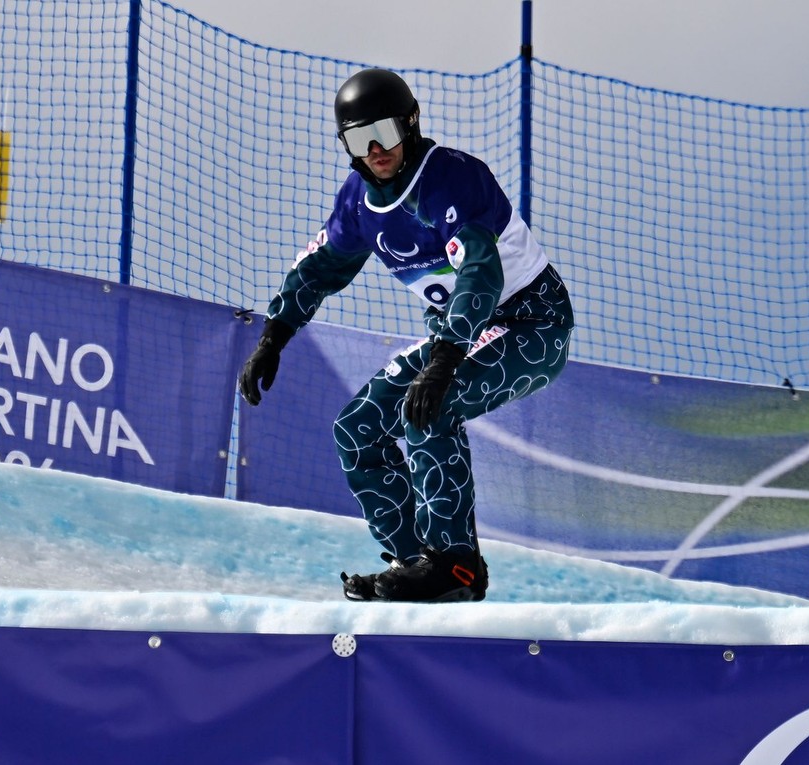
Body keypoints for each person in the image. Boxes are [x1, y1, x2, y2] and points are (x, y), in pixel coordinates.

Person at [238, 68, 574, 603]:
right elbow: (319, 268)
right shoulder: (358, 202)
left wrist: (443, 361)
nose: (375, 150)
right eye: (357, 139)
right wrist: (274, 335)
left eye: (386, 134)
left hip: (530, 321)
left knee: (430, 407)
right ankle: (414, 560)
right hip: (461, 336)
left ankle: (456, 567)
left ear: (411, 124)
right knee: (357, 428)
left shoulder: (453, 179)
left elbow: (480, 272)